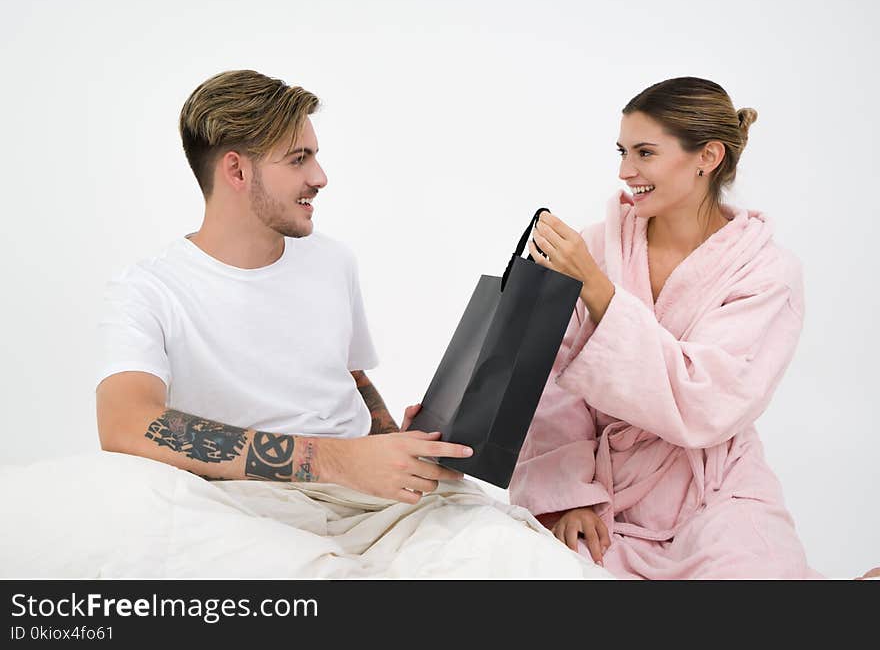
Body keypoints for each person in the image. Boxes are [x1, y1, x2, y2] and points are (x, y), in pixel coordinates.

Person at [96, 69, 472, 504]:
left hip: (368, 496)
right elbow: (126, 423)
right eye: (298, 159)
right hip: (256, 505)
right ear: (236, 171)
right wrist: (337, 461)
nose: (320, 177)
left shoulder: (332, 259)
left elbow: (348, 376)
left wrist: (396, 447)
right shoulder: (148, 290)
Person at [508, 76, 823, 579]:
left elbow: (708, 401)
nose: (625, 171)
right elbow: (550, 384)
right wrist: (568, 498)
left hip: (714, 490)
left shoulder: (766, 273)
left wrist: (597, 288)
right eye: (622, 151)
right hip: (600, 488)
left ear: (708, 156)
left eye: (644, 153)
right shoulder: (597, 244)